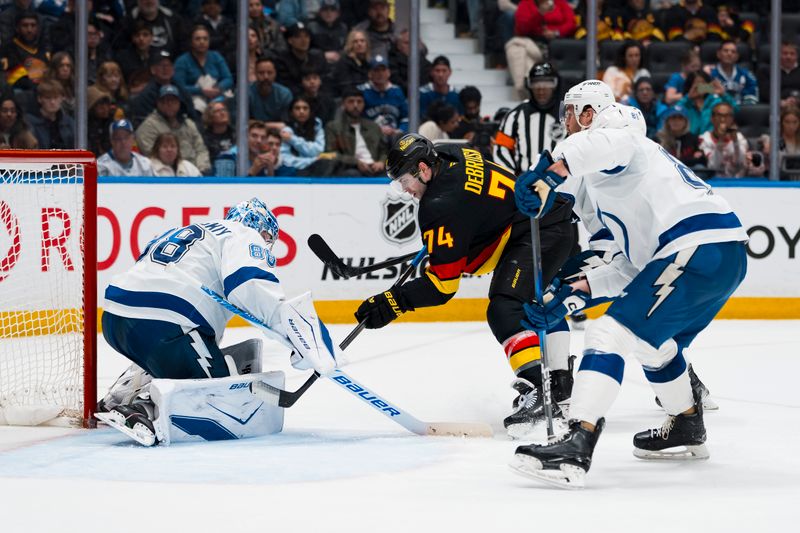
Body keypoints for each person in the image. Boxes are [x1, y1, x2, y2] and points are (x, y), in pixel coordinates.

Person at [510, 80, 747, 488]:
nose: (564, 121)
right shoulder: (601, 180)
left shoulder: (617, 132)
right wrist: (574, 293)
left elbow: (601, 146)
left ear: (589, 113)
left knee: (608, 332)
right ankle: (687, 425)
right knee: (650, 343)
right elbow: (628, 268)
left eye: (570, 112)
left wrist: (548, 173)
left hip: (696, 246)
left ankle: (576, 443)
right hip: (712, 252)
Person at [354, 133, 578, 435]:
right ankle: (559, 389)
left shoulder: (439, 206)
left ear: (423, 168)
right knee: (541, 302)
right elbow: (473, 207)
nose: (405, 191)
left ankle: (541, 394)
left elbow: (443, 287)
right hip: (547, 221)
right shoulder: (447, 154)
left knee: (505, 307)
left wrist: (393, 302)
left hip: (539, 231)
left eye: (404, 181)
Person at [98, 198, 341, 445]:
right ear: (260, 228)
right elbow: (249, 285)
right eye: (268, 238)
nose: (267, 246)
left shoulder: (192, 232)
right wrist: (300, 335)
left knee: (183, 347)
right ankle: (145, 407)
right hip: (164, 323)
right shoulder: (244, 233)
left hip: (114, 317)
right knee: (222, 401)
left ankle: (121, 395)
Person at [494, 62, 565, 175]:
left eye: (547, 83)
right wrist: (512, 178)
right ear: (529, 85)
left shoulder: (568, 115)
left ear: (556, 85)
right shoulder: (515, 115)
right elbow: (501, 149)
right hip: (524, 182)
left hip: (561, 184)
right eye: (536, 84)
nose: (541, 90)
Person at [135, 84, 211, 174]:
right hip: (163, 174)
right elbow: (151, 156)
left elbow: (201, 149)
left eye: (173, 101)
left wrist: (200, 169)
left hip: (194, 173)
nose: (170, 104)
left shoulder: (189, 124)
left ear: (179, 103)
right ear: (158, 104)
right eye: (165, 101)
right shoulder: (147, 127)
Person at [325, 86, 387, 177]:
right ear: (343, 104)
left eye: (359, 102)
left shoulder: (373, 126)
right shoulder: (333, 127)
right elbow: (330, 154)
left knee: (391, 176)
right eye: (351, 101)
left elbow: (384, 150)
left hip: (375, 167)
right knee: (352, 174)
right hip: (351, 168)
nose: (355, 105)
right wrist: (355, 162)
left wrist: (381, 162)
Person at [129, 49, 198, 127]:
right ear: (153, 70)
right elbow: (145, 123)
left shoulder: (181, 90)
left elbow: (193, 117)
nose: (165, 68)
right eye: (161, 65)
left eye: (168, 65)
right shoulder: (147, 95)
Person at [173, 24, 233, 113]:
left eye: (205, 39)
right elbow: (179, 86)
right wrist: (201, 91)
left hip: (216, 95)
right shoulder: (182, 61)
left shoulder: (216, 56)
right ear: (191, 42)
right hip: (193, 99)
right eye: (197, 39)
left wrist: (218, 88)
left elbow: (228, 78)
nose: (202, 42)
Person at [698, 101, 763, 178]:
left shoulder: (739, 138)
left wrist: (735, 142)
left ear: (732, 119)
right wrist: (721, 140)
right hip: (713, 182)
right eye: (719, 115)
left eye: (727, 116)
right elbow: (713, 166)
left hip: (737, 182)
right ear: (712, 118)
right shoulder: (704, 138)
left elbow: (740, 163)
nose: (722, 119)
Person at [279, 96, 335, 176]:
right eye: (297, 108)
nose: (301, 112)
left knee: (329, 161)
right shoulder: (286, 131)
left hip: (316, 167)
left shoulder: (317, 126)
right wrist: (313, 160)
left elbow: (318, 150)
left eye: (305, 108)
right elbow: (285, 159)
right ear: (291, 112)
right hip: (295, 170)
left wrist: (292, 139)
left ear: (310, 111)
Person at [358, 54, 408, 139]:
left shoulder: (397, 91)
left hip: (395, 136)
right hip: (369, 136)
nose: (380, 74)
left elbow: (406, 118)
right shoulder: (362, 91)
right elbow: (357, 118)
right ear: (370, 74)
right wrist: (375, 129)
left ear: (388, 72)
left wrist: (399, 131)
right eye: (376, 70)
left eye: (383, 70)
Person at [271, 22, 328, 96]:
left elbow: (326, 80)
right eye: (298, 37)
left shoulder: (318, 57)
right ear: (290, 40)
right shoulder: (282, 61)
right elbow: (286, 86)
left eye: (306, 36)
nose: (303, 40)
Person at [676, 71, 737, 136]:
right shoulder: (686, 104)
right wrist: (688, 97)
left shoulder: (715, 102)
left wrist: (723, 94)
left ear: (708, 84)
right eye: (697, 84)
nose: (700, 86)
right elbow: (674, 113)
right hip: (690, 141)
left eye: (703, 83)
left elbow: (735, 110)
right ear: (690, 86)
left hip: (712, 140)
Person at [0, 10, 48, 90]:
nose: (29, 30)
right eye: (25, 25)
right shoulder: (7, 49)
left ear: (38, 28)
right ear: (17, 28)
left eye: (33, 25)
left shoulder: (42, 49)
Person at [25, 79, 75, 150]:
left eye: (56, 97)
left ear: (62, 98)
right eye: (48, 98)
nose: (52, 102)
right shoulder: (29, 123)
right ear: (39, 99)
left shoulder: (69, 122)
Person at [708, 40, 758, 106]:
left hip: (741, 111)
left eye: (733, 52)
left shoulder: (747, 75)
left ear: (737, 57)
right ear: (718, 54)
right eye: (726, 51)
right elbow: (701, 91)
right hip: (717, 112)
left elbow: (752, 95)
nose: (729, 54)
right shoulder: (709, 74)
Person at [248, 57, 292, 129]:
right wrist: (269, 125)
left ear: (275, 73)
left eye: (270, 73)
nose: (266, 77)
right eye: (261, 73)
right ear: (255, 74)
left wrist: (255, 123)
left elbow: (284, 125)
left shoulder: (284, 94)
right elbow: (240, 123)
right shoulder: (244, 94)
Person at [330, 29, 371, 97]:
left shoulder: (368, 63)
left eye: (362, 41)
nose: (359, 44)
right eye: (355, 41)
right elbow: (345, 87)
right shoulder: (344, 62)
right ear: (350, 44)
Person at [86, 86, 115, 156]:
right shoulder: (85, 127)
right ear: (92, 108)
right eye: (100, 104)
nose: (105, 108)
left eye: (107, 104)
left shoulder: (110, 123)